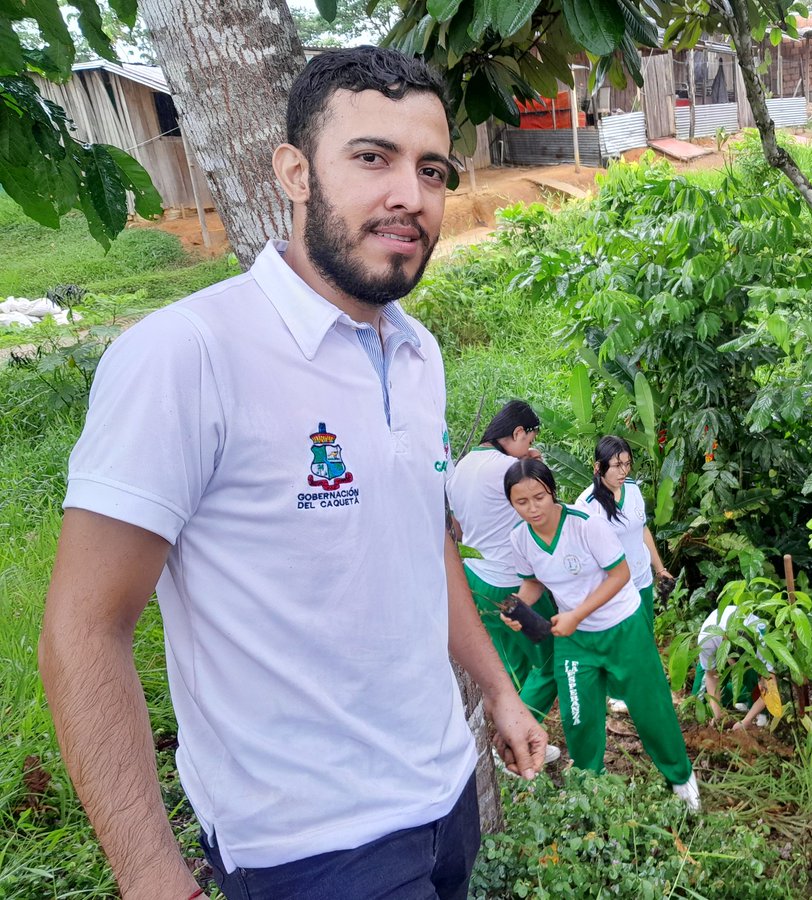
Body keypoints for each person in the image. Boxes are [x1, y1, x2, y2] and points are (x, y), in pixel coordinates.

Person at [38, 48, 546, 900]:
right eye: (372, 157)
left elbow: (424, 545)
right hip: (305, 850)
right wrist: (153, 881)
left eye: (431, 169)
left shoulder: (416, 353)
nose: (408, 196)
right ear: (294, 171)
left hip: (441, 793)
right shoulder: (185, 356)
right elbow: (83, 632)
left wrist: (498, 690)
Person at [502, 458, 701, 812]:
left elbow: (620, 575)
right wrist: (519, 605)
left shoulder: (586, 525)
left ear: (552, 493)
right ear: (511, 503)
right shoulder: (521, 538)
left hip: (622, 629)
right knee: (578, 715)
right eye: (521, 502)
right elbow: (532, 581)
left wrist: (576, 614)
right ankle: (587, 786)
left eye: (539, 497)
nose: (532, 508)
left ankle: (681, 778)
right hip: (575, 640)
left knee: (650, 706)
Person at [447, 401, 561, 738]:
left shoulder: (463, 466)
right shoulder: (507, 469)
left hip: (477, 579)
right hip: (515, 585)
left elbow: (458, 527)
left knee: (510, 667)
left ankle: (500, 743)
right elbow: (544, 509)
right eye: (528, 439)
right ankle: (515, 737)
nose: (529, 447)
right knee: (550, 664)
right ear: (517, 432)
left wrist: (520, 460)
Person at [574, 435, 673, 713]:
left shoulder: (632, 489)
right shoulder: (587, 505)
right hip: (613, 587)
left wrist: (660, 568)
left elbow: (642, 530)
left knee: (643, 635)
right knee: (619, 640)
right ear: (598, 466)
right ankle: (617, 693)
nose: (623, 471)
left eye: (627, 464)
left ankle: (643, 685)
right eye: (616, 465)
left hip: (640, 579)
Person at [693, 603, 779, 730]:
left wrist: (746, 721)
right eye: (737, 664)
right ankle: (716, 707)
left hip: (749, 647)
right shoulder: (707, 639)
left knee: (752, 677)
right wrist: (717, 716)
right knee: (699, 700)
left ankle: (755, 709)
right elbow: (711, 676)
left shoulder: (761, 639)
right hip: (715, 639)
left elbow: (770, 687)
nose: (740, 668)